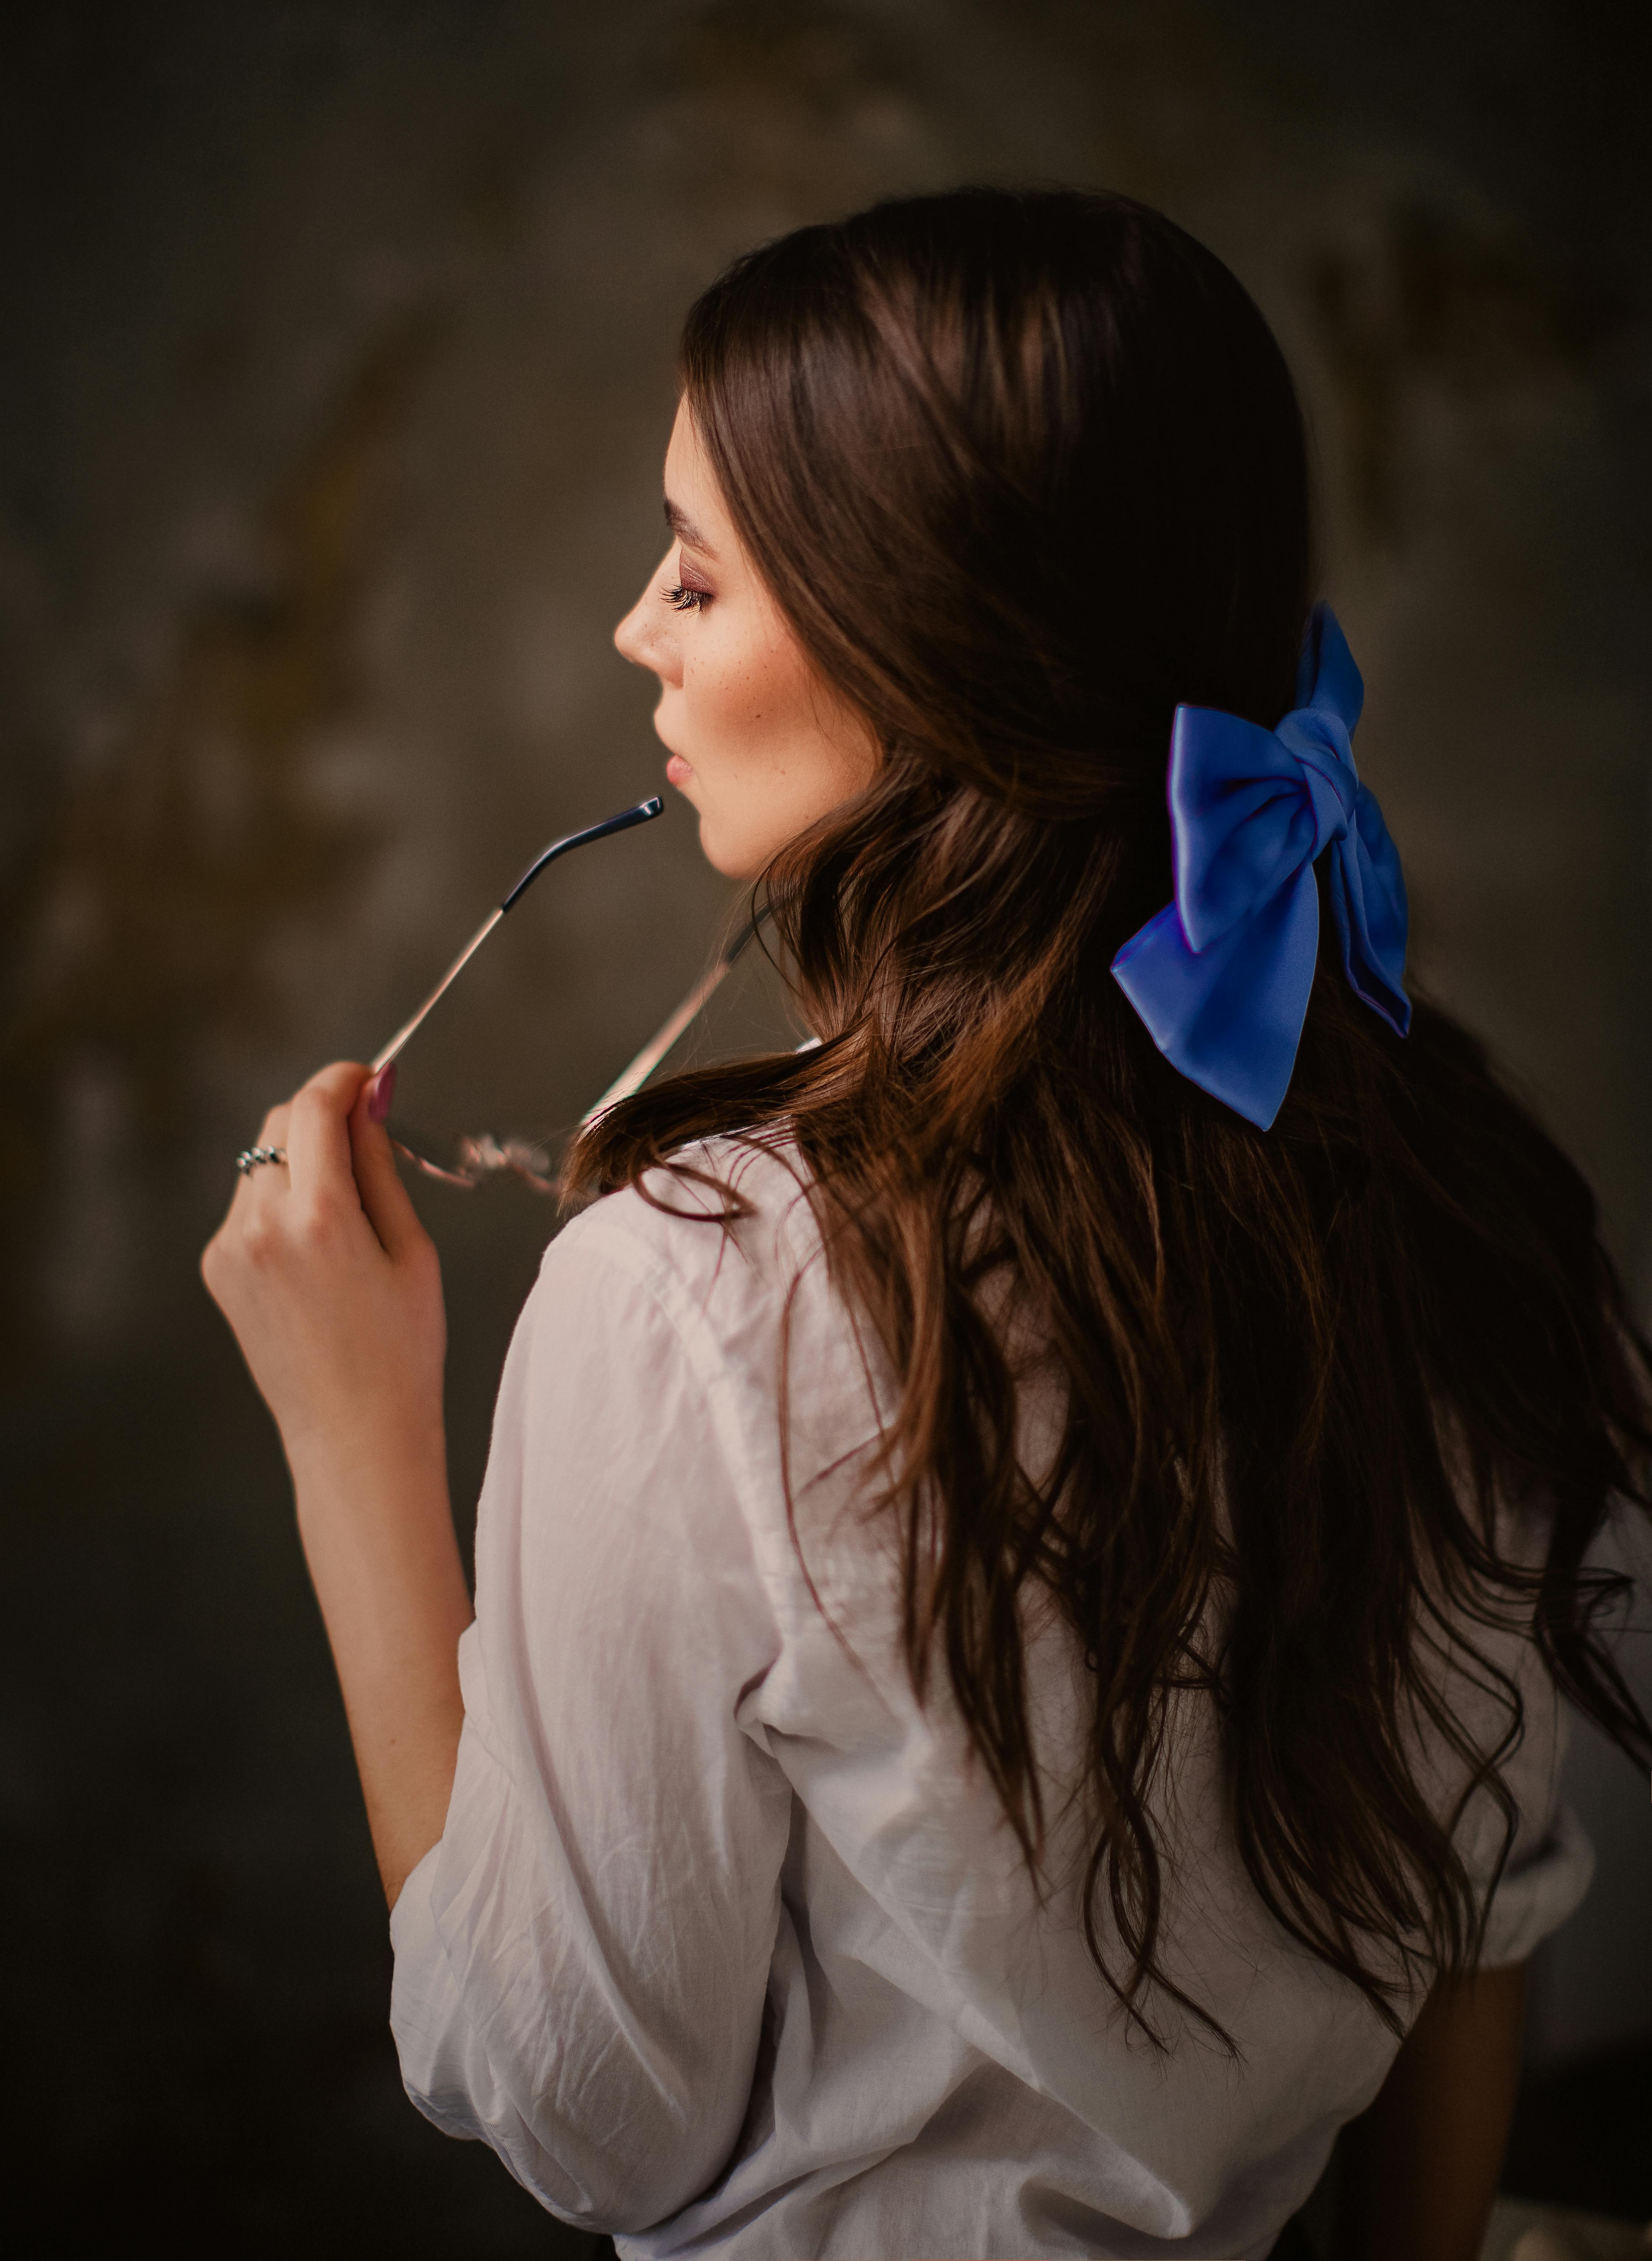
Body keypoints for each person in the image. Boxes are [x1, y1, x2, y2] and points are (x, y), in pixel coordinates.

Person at [201, 189, 1652, 2261]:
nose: (639, 627)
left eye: (698, 573)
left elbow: (584, 2121)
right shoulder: (1476, 1206)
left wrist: (350, 1429)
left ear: (932, 648)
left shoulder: (692, 1299)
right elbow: (1476, 1947)